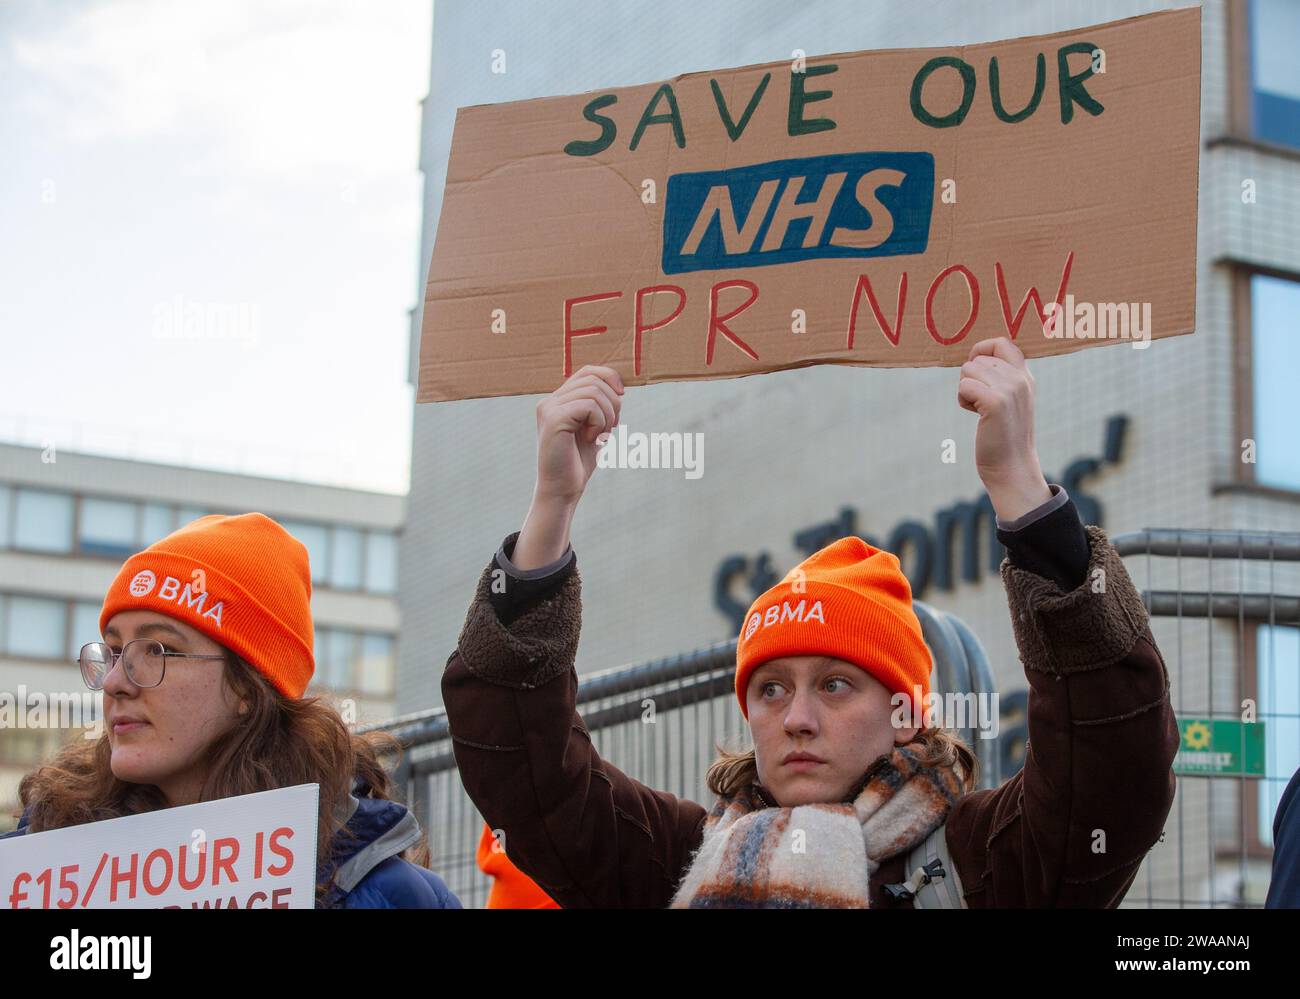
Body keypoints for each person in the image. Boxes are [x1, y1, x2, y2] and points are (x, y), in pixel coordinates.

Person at [442, 336, 1180, 907]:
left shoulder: (984, 861)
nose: (796, 717)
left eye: (833, 684)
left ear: (904, 712)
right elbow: (525, 771)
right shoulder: (678, 862)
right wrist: (550, 509)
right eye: (769, 689)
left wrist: (1019, 484)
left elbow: (1114, 765)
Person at [0, 512, 459, 909]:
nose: (116, 682)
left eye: (157, 650)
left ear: (248, 688)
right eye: (115, 651)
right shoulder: (38, 870)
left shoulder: (387, 896)